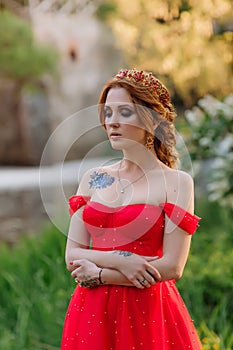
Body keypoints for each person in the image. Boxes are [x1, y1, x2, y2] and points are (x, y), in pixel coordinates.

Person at [61, 68, 202, 350]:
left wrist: (101, 274)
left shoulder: (177, 182)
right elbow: (72, 255)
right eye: (108, 112)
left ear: (151, 119)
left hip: (147, 308)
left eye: (125, 112)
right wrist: (122, 259)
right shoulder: (92, 178)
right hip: (91, 309)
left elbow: (173, 266)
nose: (112, 122)